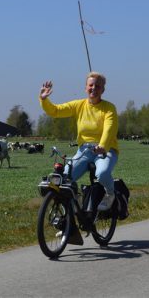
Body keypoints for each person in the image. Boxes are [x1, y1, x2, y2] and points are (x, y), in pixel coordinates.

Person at [39, 71, 119, 213]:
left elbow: (109, 128)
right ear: (85, 88)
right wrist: (44, 99)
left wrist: (103, 146)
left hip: (105, 150)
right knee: (63, 180)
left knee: (102, 173)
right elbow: (56, 111)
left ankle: (110, 194)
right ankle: (71, 217)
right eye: (91, 85)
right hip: (85, 150)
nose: (94, 88)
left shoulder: (109, 108)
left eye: (98, 86)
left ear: (103, 90)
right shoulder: (79, 105)